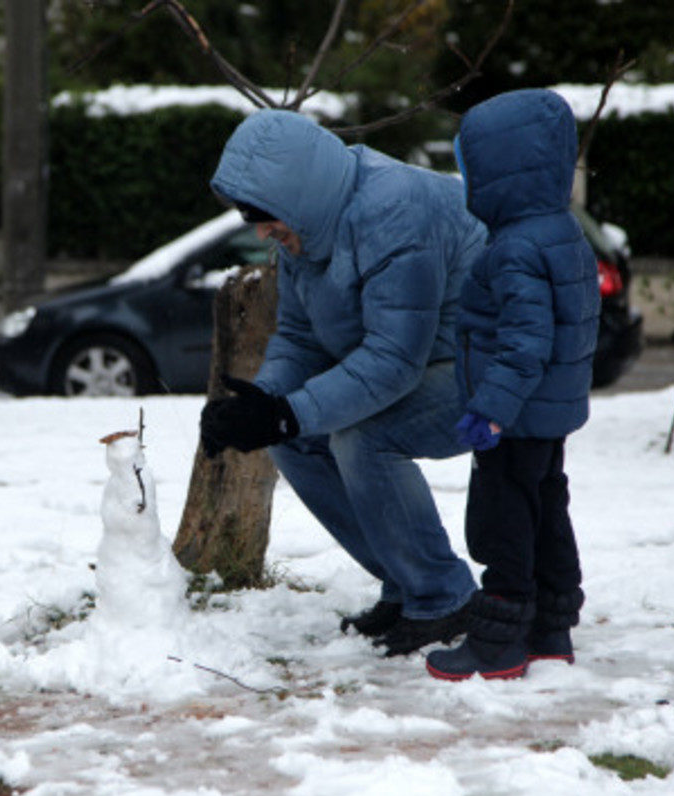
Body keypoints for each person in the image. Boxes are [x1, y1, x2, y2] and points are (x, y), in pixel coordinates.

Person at [200, 109, 487, 657]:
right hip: (427, 363)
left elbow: (393, 359)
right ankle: (407, 582)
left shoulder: (395, 212)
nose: (261, 232)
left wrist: (286, 413)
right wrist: (262, 402)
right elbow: (299, 337)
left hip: (495, 368)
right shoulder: (309, 228)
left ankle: (443, 597)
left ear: (297, 196)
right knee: (294, 441)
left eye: (265, 217)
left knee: (365, 438)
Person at [425, 89, 598, 681]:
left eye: (469, 168)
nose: (466, 181)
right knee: (546, 509)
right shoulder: (563, 232)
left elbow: (525, 340)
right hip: (549, 411)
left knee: (504, 521)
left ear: (501, 172)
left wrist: (491, 409)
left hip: (516, 414)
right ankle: (550, 628)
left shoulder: (515, 248)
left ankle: (499, 643)